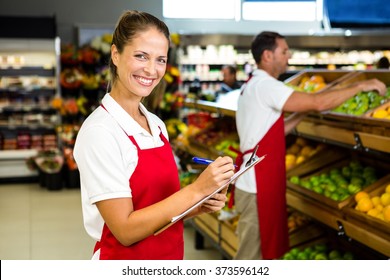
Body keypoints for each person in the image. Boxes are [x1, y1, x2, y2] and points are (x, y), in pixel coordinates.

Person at [73, 10, 235, 260]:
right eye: (141, 56)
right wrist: (194, 190)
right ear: (115, 55)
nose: (152, 70)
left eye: (161, 59)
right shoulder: (100, 132)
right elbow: (125, 230)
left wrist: (195, 205)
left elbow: (155, 209)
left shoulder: (156, 125)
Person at [233, 31, 386, 260]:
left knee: (260, 253)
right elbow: (318, 102)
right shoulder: (267, 86)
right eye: (284, 51)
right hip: (258, 184)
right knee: (251, 257)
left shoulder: (254, 84)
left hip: (256, 179)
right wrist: (361, 86)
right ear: (267, 55)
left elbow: (273, 130)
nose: (289, 56)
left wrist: (303, 113)